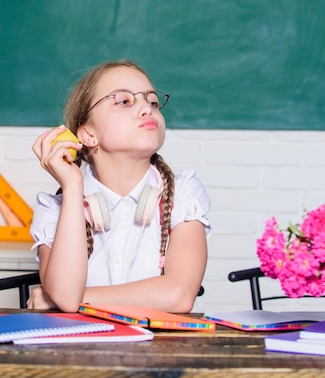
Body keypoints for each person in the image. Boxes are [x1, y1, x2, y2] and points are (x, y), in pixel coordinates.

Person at [29, 60, 211, 313]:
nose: (147, 109)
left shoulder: (184, 193)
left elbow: (178, 295)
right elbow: (66, 296)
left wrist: (66, 299)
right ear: (89, 135)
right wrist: (72, 186)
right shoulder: (54, 209)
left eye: (153, 101)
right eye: (124, 101)